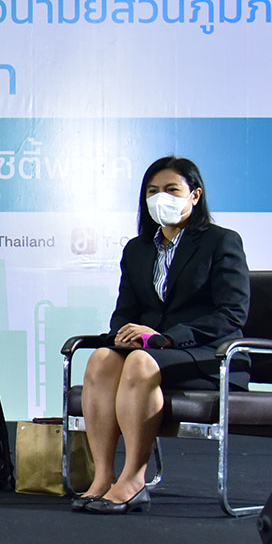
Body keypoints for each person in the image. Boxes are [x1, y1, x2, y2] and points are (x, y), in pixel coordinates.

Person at [76, 156, 250, 515]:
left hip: (209, 355)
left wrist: (165, 338)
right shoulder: (137, 249)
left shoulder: (221, 242)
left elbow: (232, 313)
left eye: (172, 190)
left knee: (140, 362)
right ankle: (103, 477)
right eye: (152, 191)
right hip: (154, 352)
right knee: (101, 359)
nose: (161, 198)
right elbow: (125, 309)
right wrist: (121, 334)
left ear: (195, 195)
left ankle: (134, 479)